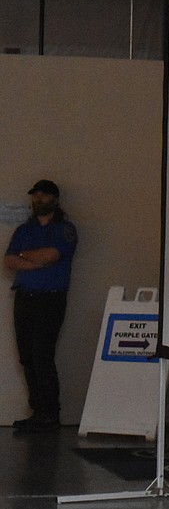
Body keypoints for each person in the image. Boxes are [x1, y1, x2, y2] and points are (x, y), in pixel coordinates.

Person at [4, 180, 79, 432]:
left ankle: (50, 413)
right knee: (27, 357)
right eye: (35, 196)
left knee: (42, 355)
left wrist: (26, 255)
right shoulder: (24, 230)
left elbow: (53, 255)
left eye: (43, 196)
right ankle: (37, 411)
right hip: (25, 297)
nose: (38, 199)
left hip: (50, 299)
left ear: (55, 199)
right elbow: (9, 261)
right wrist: (33, 260)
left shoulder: (65, 228)